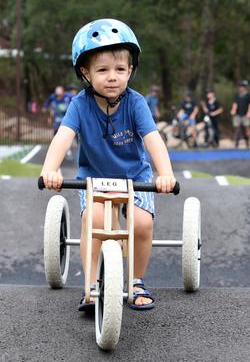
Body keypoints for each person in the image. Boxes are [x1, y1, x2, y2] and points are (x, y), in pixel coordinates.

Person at [40, 18, 176, 311]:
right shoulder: (79, 104)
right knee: (95, 221)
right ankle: (91, 286)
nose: (112, 77)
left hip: (135, 177)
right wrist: (50, 169)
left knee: (141, 224)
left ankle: (136, 280)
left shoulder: (136, 103)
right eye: (102, 70)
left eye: (120, 69)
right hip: (94, 178)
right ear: (86, 73)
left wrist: (165, 174)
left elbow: (153, 140)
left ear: (131, 71)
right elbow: (63, 137)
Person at [230, 80, 250, 148]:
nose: (240, 88)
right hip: (238, 114)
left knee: (247, 129)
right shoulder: (237, 95)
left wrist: (249, 112)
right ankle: (235, 143)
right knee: (237, 129)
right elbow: (235, 104)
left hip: (245, 115)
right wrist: (233, 110)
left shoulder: (248, 95)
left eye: (242, 87)